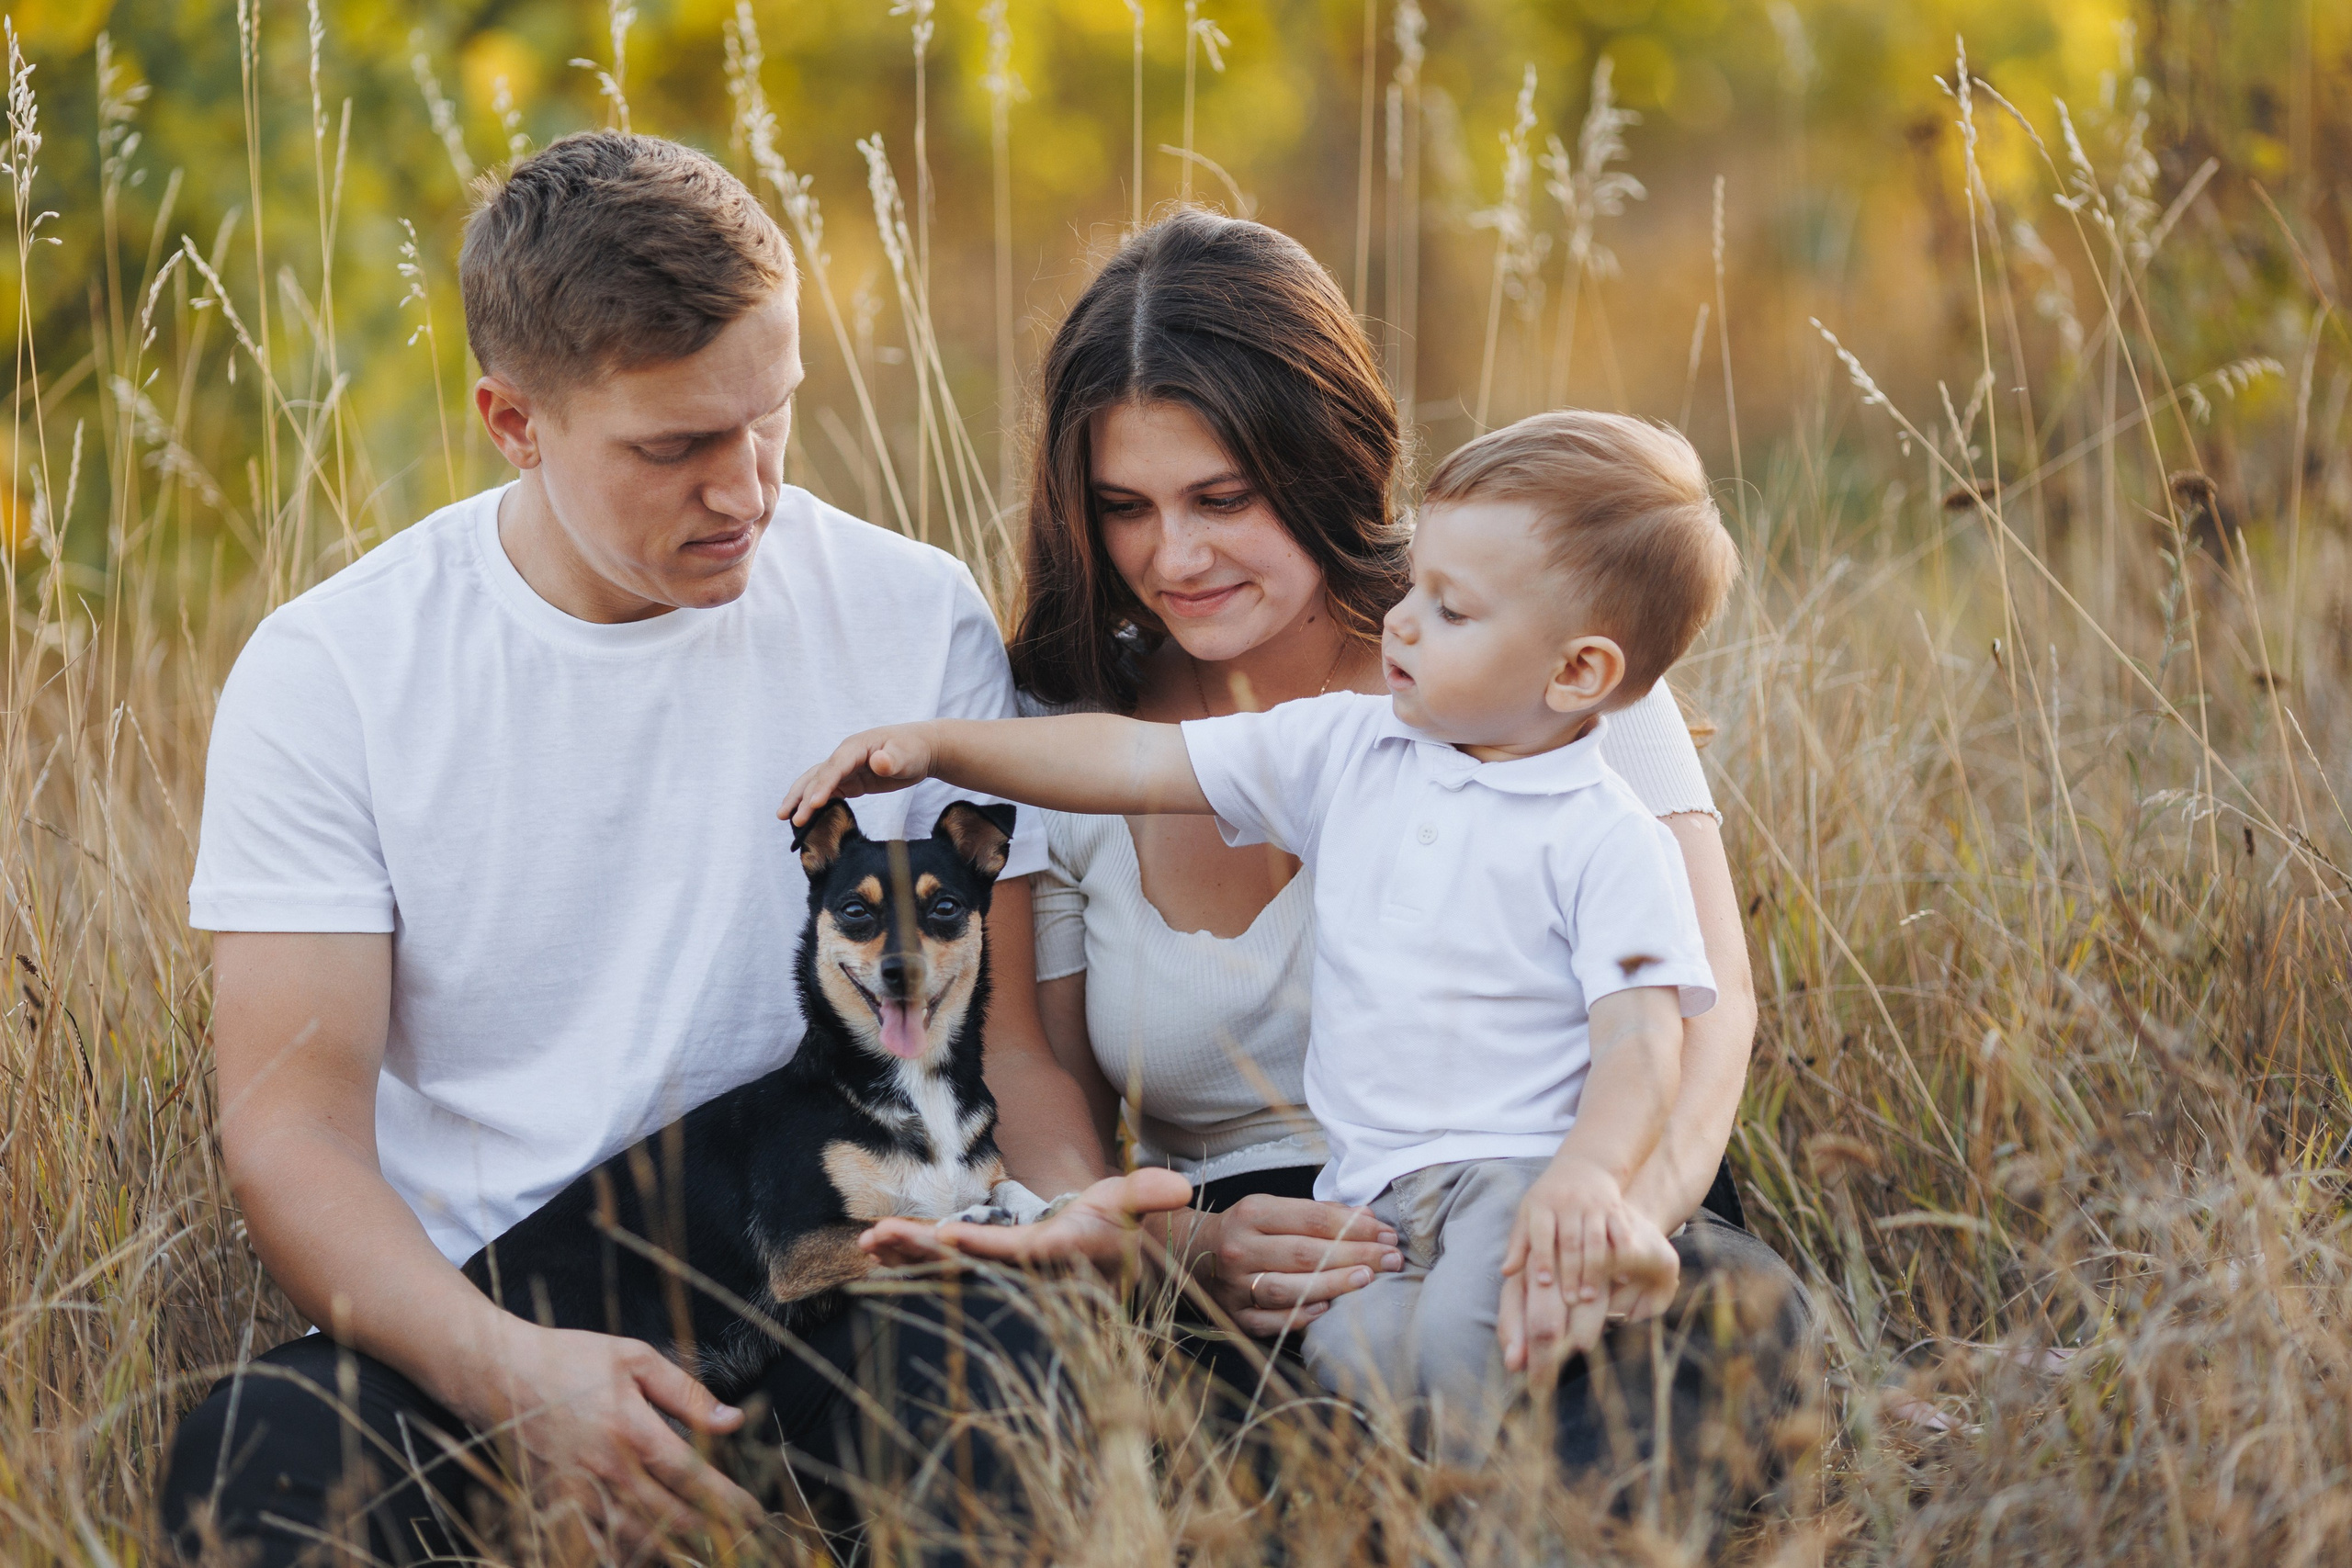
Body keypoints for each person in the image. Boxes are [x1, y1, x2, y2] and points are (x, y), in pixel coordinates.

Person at [157, 130, 1180, 1566]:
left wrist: (1068, 1226)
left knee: (995, 1372)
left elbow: (1001, 1050)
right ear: (513, 422)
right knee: (254, 1459)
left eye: (772, 415)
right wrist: (512, 1374)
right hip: (501, 1315)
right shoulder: (333, 670)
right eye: (675, 446)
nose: (746, 488)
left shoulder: (910, 610)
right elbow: (294, 1134)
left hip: (856, 1291)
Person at [852, 211, 1811, 1499]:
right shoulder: (1063, 735)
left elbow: (1705, 1009)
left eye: (1223, 499)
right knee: (1129, 1416)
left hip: (1557, 1186)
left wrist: (1628, 1214)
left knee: (1719, 1325)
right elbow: (1030, 1064)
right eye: (1125, 508)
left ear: (1325, 459)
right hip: (1266, 1256)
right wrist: (1176, 1252)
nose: (1173, 558)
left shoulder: (1540, 657)